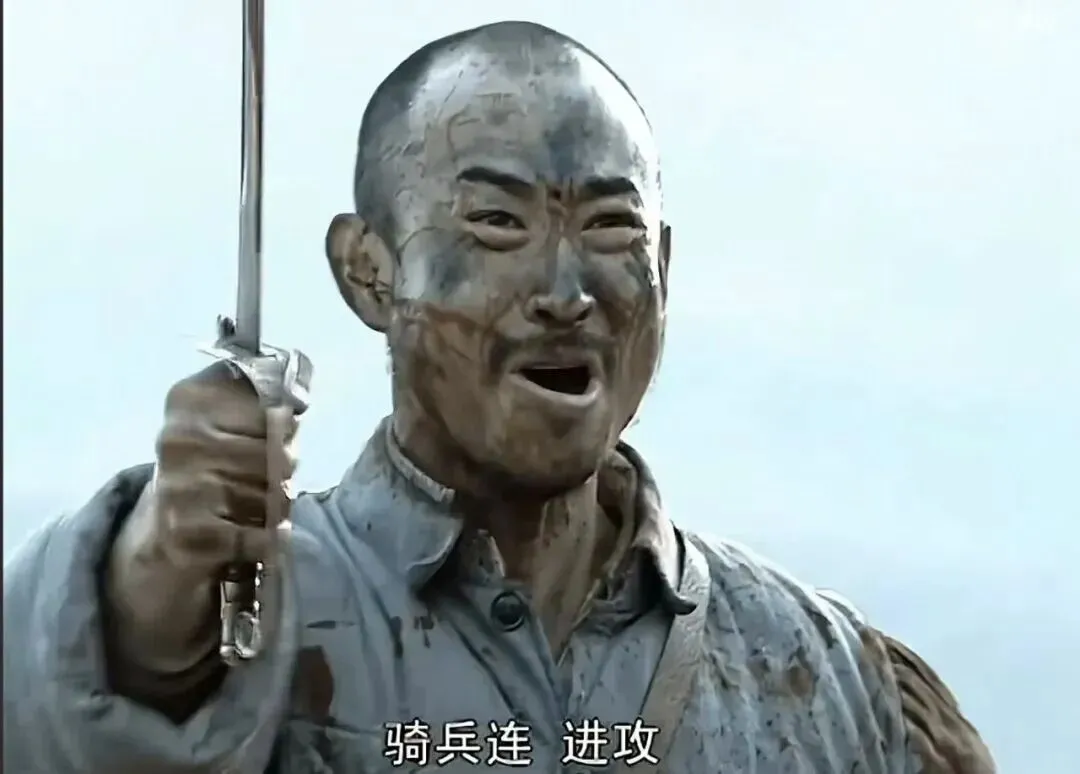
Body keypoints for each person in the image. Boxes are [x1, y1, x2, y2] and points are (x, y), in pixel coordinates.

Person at [2, 21, 996, 774]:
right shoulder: (253, 611)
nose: (565, 292)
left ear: (665, 264)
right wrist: (157, 577)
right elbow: (66, 714)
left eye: (611, 230)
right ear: (368, 270)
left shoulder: (823, 671)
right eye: (495, 223)